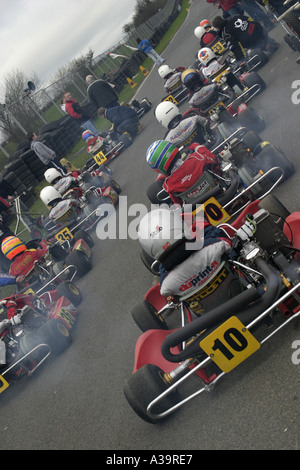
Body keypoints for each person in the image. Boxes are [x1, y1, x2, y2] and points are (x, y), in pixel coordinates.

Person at [138, 207, 232, 298]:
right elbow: (227, 244)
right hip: (234, 286)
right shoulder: (214, 247)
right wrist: (200, 225)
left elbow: (171, 296)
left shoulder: (166, 285)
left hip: (208, 308)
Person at [146, 140, 218, 205]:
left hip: (199, 208)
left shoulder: (168, 186)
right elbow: (214, 160)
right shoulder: (197, 157)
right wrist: (196, 146)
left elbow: (179, 204)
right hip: (219, 191)